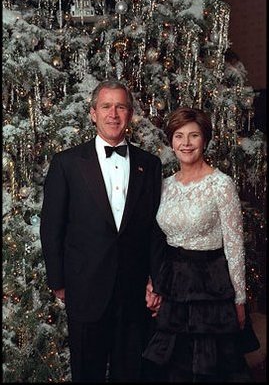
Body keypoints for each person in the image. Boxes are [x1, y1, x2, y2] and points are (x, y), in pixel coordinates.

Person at [40, 79, 165, 382]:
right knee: (88, 372)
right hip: (84, 289)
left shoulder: (149, 165)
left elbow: (155, 228)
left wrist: (156, 280)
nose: (113, 113)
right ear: (93, 113)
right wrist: (57, 280)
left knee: (130, 372)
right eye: (106, 106)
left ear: (130, 114)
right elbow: (51, 224)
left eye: (120, 106)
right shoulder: (67, 163)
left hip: (134, 291)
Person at [143, 106, 254, 382]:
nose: (186, 143)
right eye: (179, 136)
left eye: (194, 136)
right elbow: (156, 239)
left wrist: (239, 300)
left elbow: (235, 246)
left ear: (205, 140)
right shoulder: (165, 185)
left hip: (210, 287)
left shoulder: (221, 184)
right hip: (172, 284)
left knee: (209, 368)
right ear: (171, 141)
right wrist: (153, 280)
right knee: (172, 365)